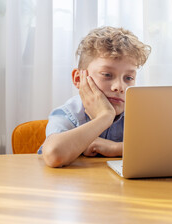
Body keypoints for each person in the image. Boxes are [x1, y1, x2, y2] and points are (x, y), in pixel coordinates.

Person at [40, 26, 151, 168]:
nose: (119, 87)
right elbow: (54, 155)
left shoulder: (139, 114)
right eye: (107, 75)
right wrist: (105, 117)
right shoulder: (69, 114)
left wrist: (115, 148)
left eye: (128, 78)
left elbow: (167, 149)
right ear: (78, 78)